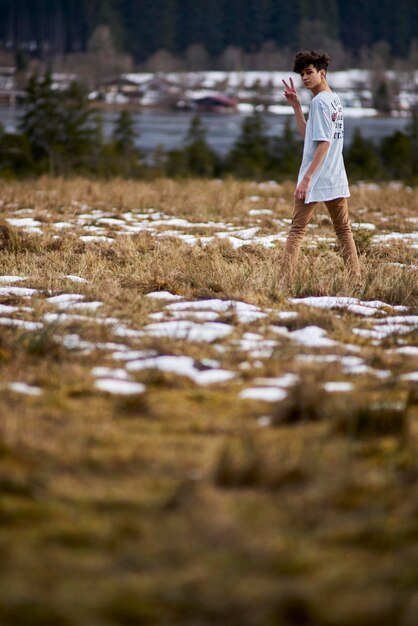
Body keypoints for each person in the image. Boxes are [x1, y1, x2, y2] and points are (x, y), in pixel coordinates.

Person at [281, 50, 361, 279]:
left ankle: (283, 283)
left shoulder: (319, 102)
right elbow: (310, 136)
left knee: (296, 231)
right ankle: (355, 280)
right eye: (301, 74)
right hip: (335, 176)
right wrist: (297, 107)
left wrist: (306, 178)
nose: (304, 78)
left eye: (309, 72)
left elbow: (324, 144)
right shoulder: (333, 99)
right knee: (344, 231)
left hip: (315, 179)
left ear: (322, 73)